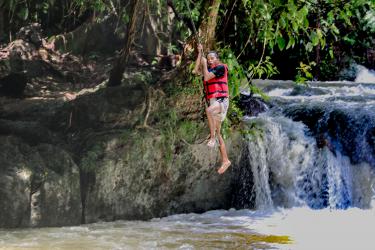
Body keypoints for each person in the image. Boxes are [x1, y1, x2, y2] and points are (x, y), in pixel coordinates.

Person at [192, 44, 231, 174]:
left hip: (222, 101)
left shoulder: (220, 68)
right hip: (214, 101)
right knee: (220, 133)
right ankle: (225, 160)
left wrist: (204, 63)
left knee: (209, 111)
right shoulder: (208, 70)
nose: (210, 60)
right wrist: (200, 54)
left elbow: (207, 77)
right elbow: (194, 71)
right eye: (208, 59)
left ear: (218, 59)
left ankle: (212, 138)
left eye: (212, 58)